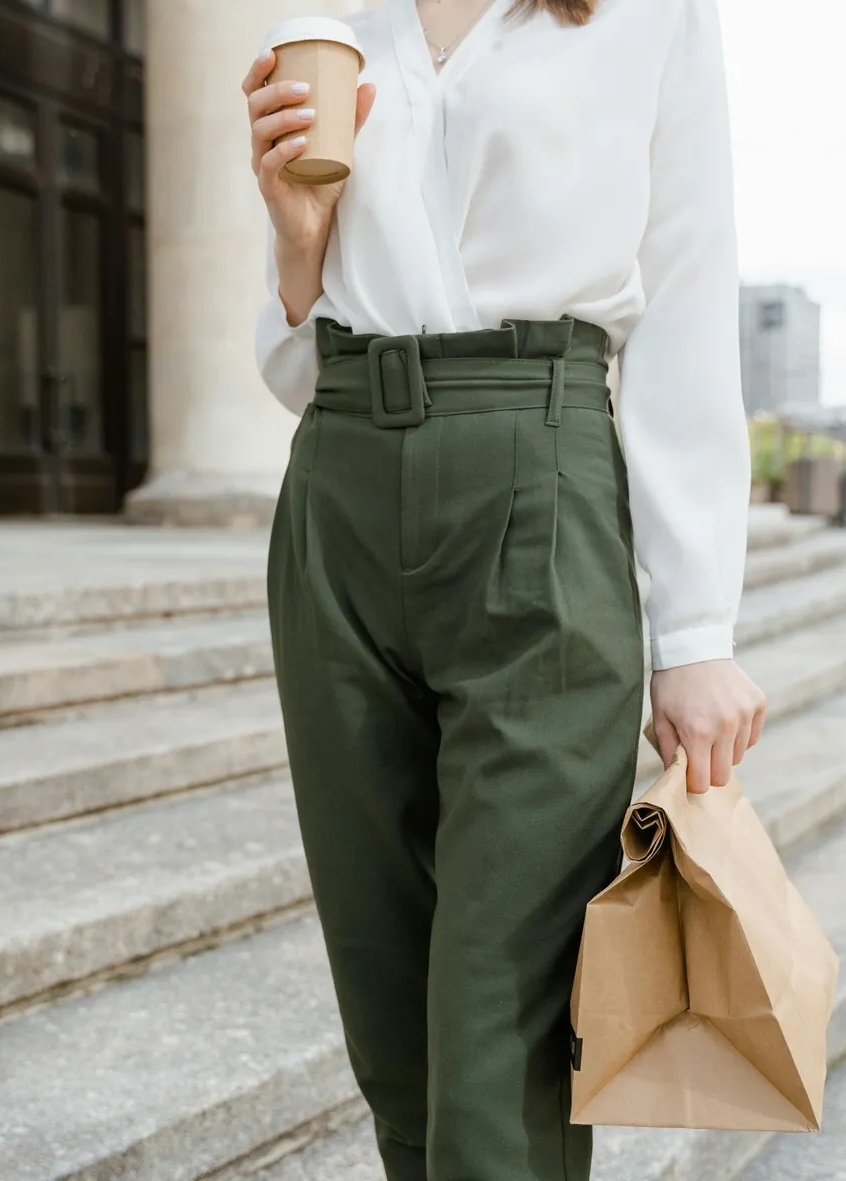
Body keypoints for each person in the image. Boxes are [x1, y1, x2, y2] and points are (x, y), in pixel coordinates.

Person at [244, 0, 766, 1176]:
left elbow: (687, 291)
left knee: (501, 1017)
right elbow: (291, 363)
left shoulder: (647, 18)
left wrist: (694, 627)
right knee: (387, 1007)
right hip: (339, 483)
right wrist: (294, 235)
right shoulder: (339, 24)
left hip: (540, 475)